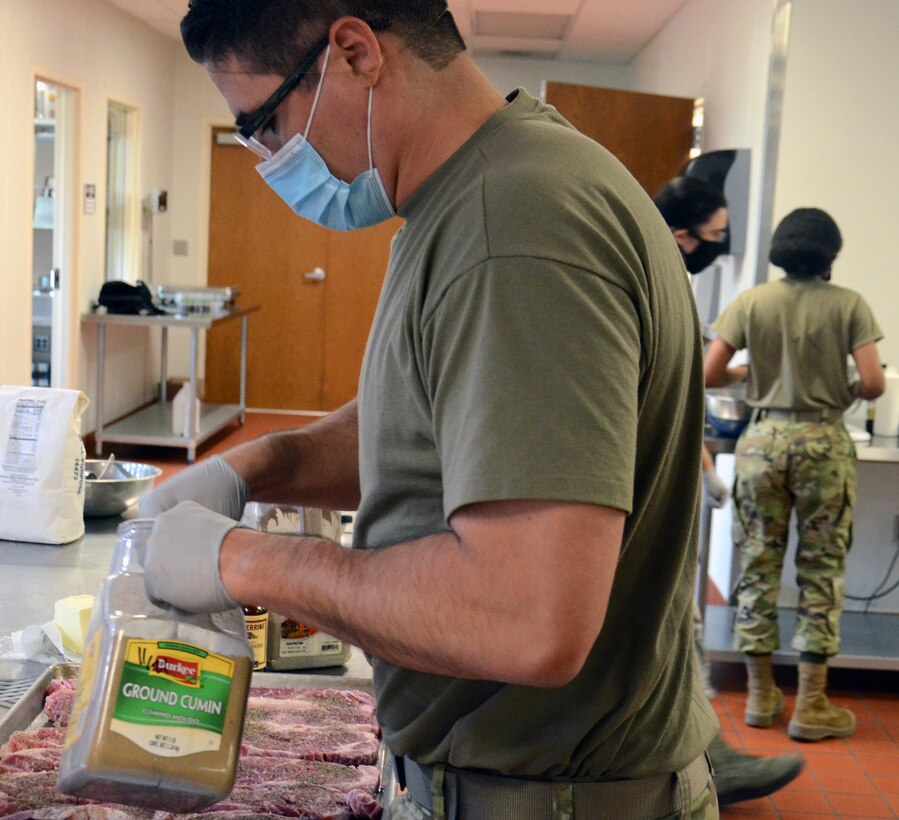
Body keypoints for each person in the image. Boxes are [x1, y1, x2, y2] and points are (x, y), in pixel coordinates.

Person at [140, 2, 721, 817]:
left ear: (352, 52)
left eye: (264, 125)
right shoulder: (482, 187)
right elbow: (444, 424)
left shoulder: (516, 225)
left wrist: (245, 562)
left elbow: (526, 616)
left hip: (542, 796)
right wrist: (254, 468)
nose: (269, 159)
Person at [705, 207, 885, 742]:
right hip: (824, 441)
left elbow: (712, 373)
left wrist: (755, 374)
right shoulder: (849, 304)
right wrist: (843, 390)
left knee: (758, 561)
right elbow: (874, 383)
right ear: (830, 253)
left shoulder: (753, 301)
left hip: (761, 443)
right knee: (821, 566)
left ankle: (761, 697)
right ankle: (811, 705)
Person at [654, 177, 804, 802]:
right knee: (670, 623)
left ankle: (707, 752)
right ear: (684, 235)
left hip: (684, 469)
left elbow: (688, 378)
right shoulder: (653, 276)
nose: (719, 247)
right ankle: (708, 761)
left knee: (681, 620)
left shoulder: (670, 276)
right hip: (646, 484)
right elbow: (672, 384)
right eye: (715, 237)